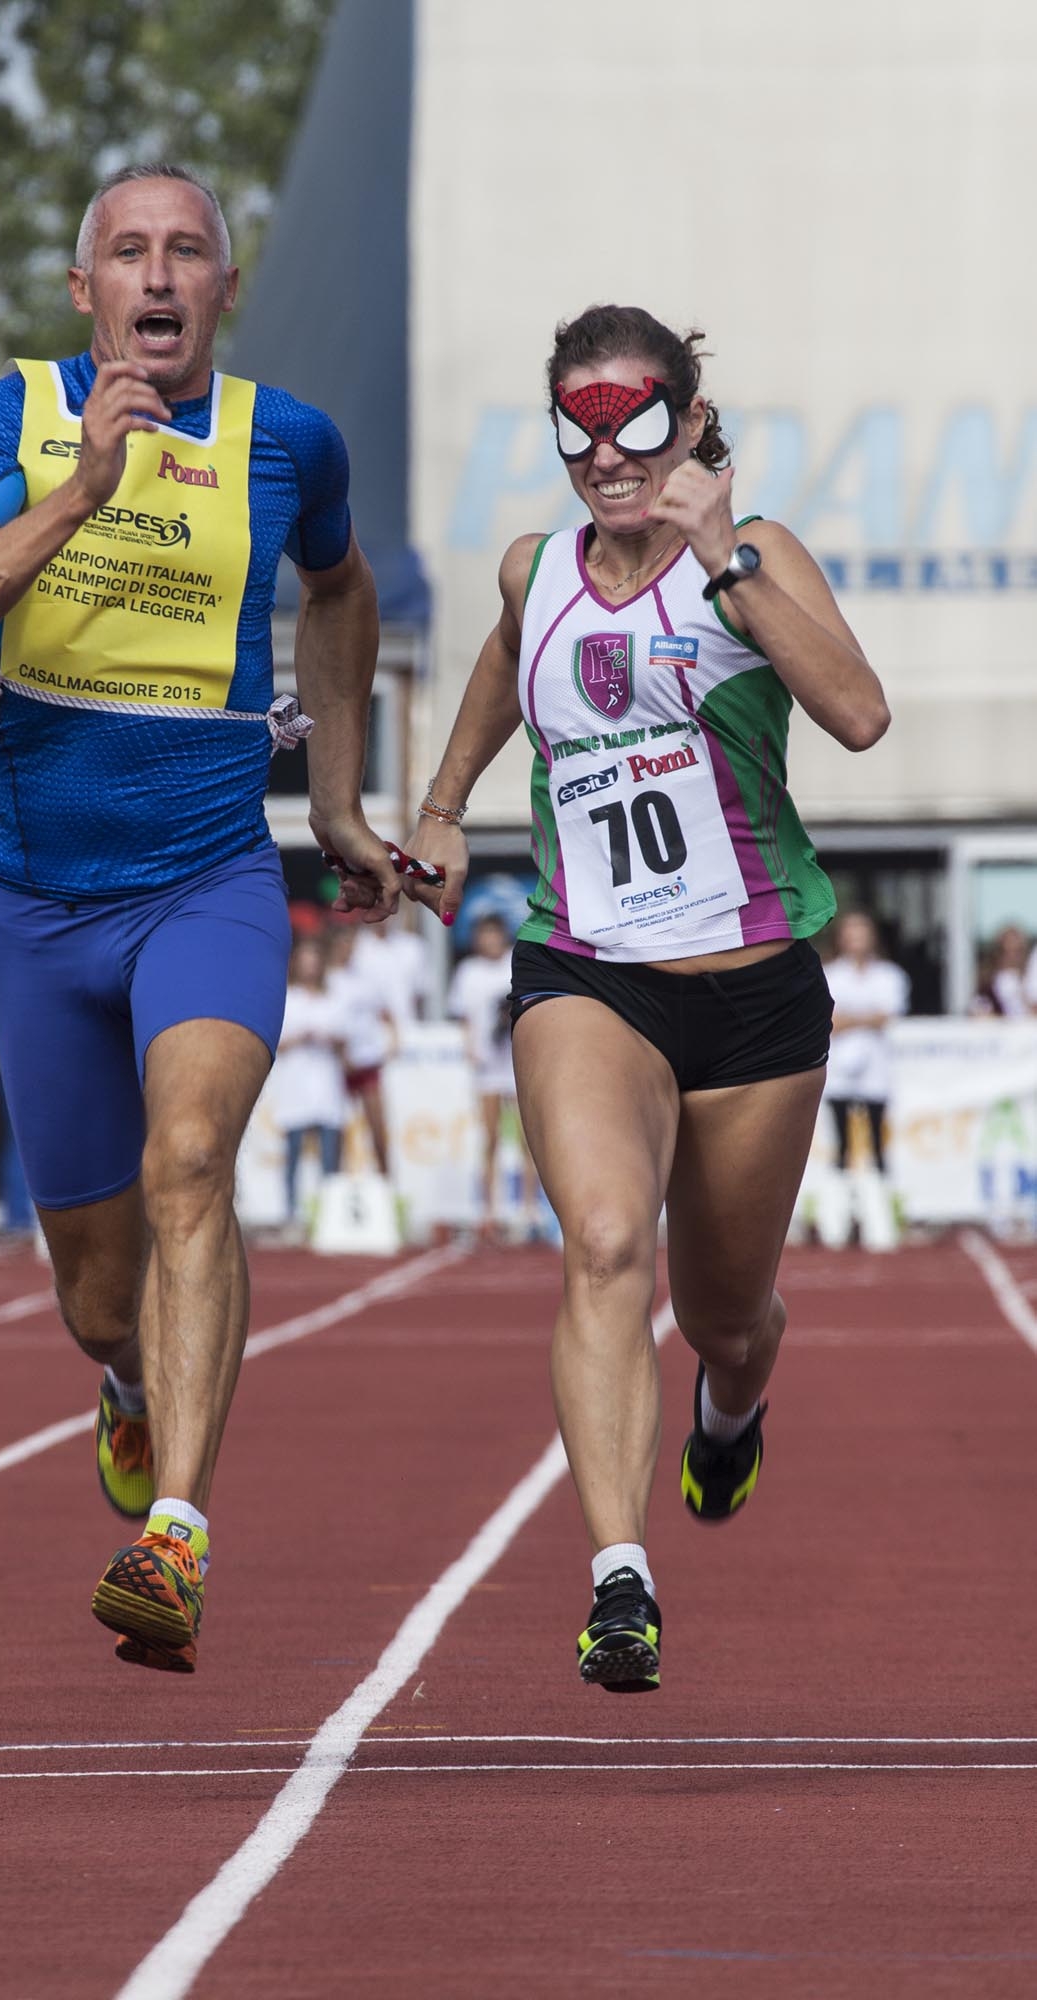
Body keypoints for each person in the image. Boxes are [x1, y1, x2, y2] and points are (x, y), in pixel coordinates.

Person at [0, 162, 396, 1673]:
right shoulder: (16, 421)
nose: (159, 277)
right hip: (40, 908)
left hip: (209, 883)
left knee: (192, 1162)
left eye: (188, 253)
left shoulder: (287, 441)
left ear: (224, 293)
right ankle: (124, 1384)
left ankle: (173, 1538)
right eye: (129, 252)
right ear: (86, 291)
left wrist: (339, 801)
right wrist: (80, 493)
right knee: (95, 1294)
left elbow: (346, 592)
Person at [405, 304, 889, 1692]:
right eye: (576, 425)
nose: (604, 453)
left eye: (630, 424)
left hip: (751, 995)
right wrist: (443, 805)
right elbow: (510, 655)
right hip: (586, 972)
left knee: (724, 1308)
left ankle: (729, 1409)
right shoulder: (534, 568)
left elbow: (857, 714)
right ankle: (620, 1576)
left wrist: (722, 556)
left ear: (684, 424)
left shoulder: (755, 558)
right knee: (606, 1243)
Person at [447, 911, 537, 1241]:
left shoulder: (515, 963)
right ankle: (489, 1209)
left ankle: (529, 1209)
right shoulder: (468, 972)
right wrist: (470, 1047)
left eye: (494, 935)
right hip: (487, 1065)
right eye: (483, 936)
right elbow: (463, 1017)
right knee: (491, 1138)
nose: (489, 941)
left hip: (516, 1062)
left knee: (530, 1140)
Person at [270, 934, 348, 1230]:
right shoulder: (286, 998)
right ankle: (291, 1212)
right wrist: (301, 1037)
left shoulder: (333, 998)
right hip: (296, 1085)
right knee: (293, 1154)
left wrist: (326, 1038)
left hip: (326, 1084)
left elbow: (344, 1041)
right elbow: (277, 1042)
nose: (310, 968)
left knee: (330, 1156)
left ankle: (329, 1215)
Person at [823, 912, 910, 1176]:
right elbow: (830, 1021)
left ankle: (879, 1205)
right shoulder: (830, 974)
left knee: (877, 1144)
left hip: (876, 1068)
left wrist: (849, 1018)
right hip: (838, 1068)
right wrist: (866, 1017)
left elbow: (887, 1015)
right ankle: (839, 1206)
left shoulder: (889, 974)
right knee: (840, 1145)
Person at [325, 918, 396, 1174]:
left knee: (377, 1127)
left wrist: (392, 1040)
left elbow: (386, 1013)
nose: (348, 947)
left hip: (366, 1060)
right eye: (343, 942)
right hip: (335, 1066)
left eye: (351, 942)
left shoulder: (365, 979)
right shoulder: (326, 981)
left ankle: (386, 1184)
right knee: (337, 1132)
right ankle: (335, 1187)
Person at [970, 924, 1031, 1017]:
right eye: (1007, 950)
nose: (1011, 955)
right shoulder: (988, 975)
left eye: (1016, 951)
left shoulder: (1030, 974)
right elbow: (980, 1005)